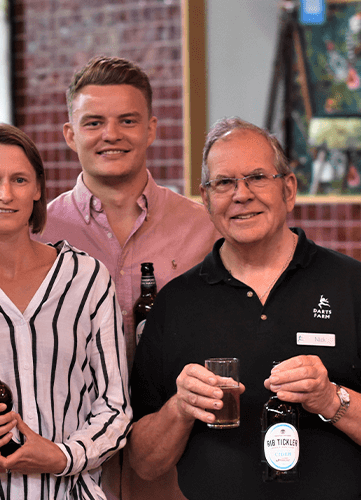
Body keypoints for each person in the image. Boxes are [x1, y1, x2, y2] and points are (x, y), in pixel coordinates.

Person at [128, 117, 361, 500]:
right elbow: (144, 463)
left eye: (258, 177)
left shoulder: (353, 284)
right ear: (207, 199)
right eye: (224, 183)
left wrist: (331, 399)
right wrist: (180, 408)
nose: (241, 194)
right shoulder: (176, 303)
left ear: (290, 189)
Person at [38, 55, 218, 499]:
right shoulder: (38, 231)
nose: (111, 135)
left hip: (180, 458)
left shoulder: (204, 228)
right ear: (70, 133)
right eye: (94, 122)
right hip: (66, 462)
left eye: (128, 120)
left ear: (152, 129)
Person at [0, 123, 131, 500]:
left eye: (20, 180)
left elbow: (115, 406)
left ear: (39, 188)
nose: (5, 194)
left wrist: (60, 456)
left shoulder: (86, 279)